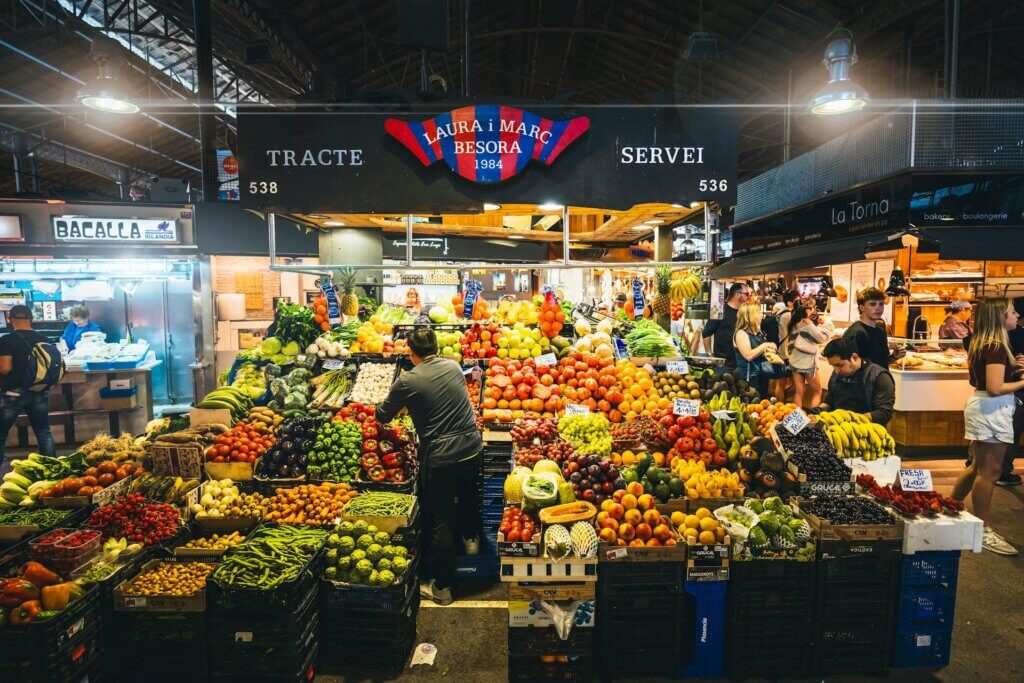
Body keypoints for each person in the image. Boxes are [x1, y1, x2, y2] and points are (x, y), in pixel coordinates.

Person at [375, 328, 483, 604]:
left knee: (441, 518)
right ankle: (472, 547)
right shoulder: (453, 366)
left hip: (441, 456)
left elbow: (383, 415)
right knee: (470, 498)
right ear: (436, 347)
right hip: (472, 447)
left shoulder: (407, 380)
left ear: (410, 353)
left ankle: (442, 587)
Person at [951, 297, 1024, 556]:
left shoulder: (986, 344)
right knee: (988, 473)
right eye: (1012, 312)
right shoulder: (995, 347)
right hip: (992, 411)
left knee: (977, 468)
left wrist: (1015, 372)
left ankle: (948, 509)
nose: (1016, 315)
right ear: (1000, 317)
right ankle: (982, 530)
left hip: (985, 409)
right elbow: (994, 388)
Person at [0, 306, 56, 460]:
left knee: (1, 434)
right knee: (43, 432)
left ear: (10, 320)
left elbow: (5, 368)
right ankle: (52, 469)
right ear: (31, 319)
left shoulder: (6, 340)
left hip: (13, 392)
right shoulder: (45, 340)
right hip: (39, 390)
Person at [821, 338, 896, 425]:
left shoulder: (880, 376)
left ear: (854, 357)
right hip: (839, 429)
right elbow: (829, 402)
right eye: (833, 366)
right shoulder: (837, 373)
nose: (836, 370)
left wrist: (852, 420)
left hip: (867, 431)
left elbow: (884, 413)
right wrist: (817, 410)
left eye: (840, 365)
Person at [842, 287, 905, 369]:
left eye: (881, 304)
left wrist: (894, 356)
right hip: (864, 381)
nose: (878, 308)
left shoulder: (880, 331)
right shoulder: (855, 333)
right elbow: (849, 367)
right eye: (872, 304)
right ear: (862, 308)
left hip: (879, 380)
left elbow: (882, 363)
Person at [786, 304, 835, 409]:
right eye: (811, 310)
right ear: (807, 311)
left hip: (795, 361)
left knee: (799, 392)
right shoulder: (807, 323)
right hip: (808, 363)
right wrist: (827, 323)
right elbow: (821, 338)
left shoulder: (795, 323)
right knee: (817, 391)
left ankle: (797, 420)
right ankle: (813, 417)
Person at [732, 302, 777, 398]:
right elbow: (748, 355)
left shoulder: (759, 333)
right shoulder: (741, 333)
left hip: (762, 376)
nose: (761, 315)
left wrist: (771, 348)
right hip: (748, 379)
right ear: (751, 316)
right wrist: (765, 345)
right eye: (759, 312)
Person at [702, 282, 751, 369]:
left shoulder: (743, 313)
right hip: (724, 364)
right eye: (747, 294)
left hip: (741, 363)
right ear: (738, 294)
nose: (749, 296)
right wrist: (710, 355)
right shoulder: (720, 311)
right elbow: (706, 333)